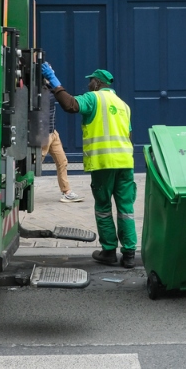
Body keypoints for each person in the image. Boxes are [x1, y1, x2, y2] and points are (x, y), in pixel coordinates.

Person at [40, 63, 137, 268]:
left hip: (103, 164)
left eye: (91, 80)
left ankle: (109, 252)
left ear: (98, 83)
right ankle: (129, 254)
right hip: (126, 163)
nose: (88, 83)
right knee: (126, 209)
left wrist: (55, 83)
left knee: (103, 208)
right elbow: (129, 135)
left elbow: (71, 105)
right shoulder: (123, 105)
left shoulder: (94, 98)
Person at [42, 92, 83, 203]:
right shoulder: (36, 90)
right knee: (33, 164)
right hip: (42, 134)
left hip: (53, 133)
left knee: (62, 161)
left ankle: (67, 192)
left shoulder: (52, 90)